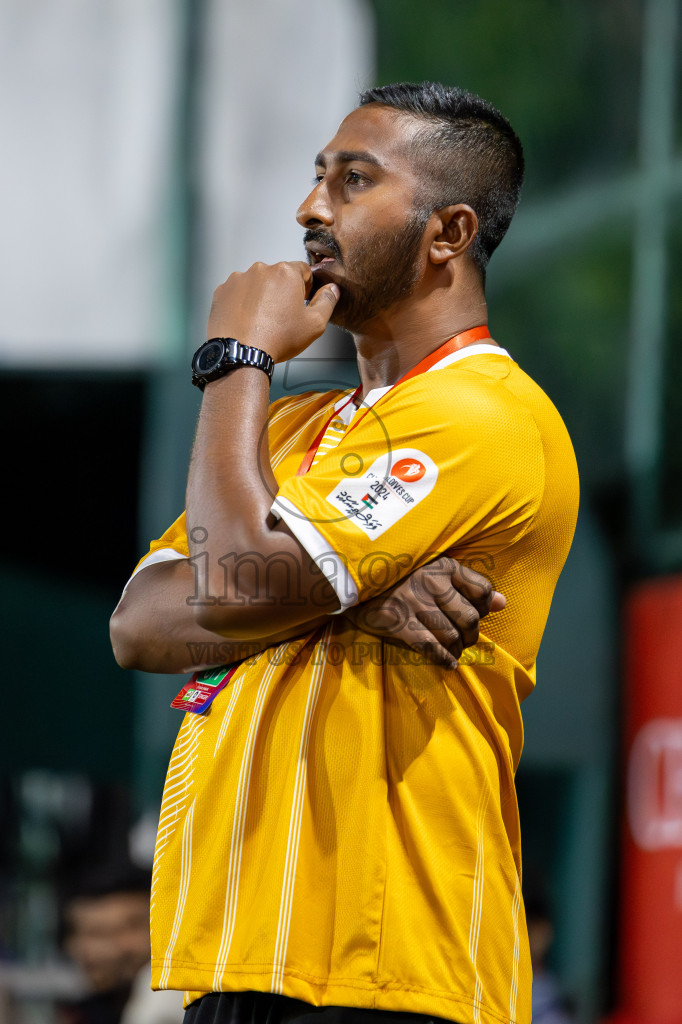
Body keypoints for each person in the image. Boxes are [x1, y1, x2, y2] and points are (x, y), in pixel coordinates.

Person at [110, 81, 579, 1024]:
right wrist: (357, 596)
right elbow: (137, 623)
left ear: (447, 232)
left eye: (353, 181)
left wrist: (235, 362)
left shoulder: (481, 413)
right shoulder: (287, 431)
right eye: (317, 176)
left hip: (388, 964)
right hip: (241, 959)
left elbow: (233, 589)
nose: (309, 209)